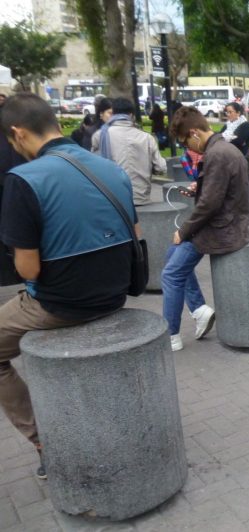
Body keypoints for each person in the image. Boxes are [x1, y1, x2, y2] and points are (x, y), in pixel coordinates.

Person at [0, 93, 138, 479]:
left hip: (62, 304)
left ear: (17, 133)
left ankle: (44, 440)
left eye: (11, 142)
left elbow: (29, 269)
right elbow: (137, 234)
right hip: (115, 292)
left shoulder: (23, 179)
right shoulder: (109, 168)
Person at [164, 106, 249, 351]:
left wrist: (184, 230)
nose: (188, 148)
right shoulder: (223, 149)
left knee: (171, 273)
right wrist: (199, 187)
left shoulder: (216, 154)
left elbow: (210, 205)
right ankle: (200, 310)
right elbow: (217, 194)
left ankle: (171, 335)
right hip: (225, 222)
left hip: (222, 228)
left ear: (193, 133)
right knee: (172, 256)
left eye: (185, 142)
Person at [92, 97, 166, 206]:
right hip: (142, 198)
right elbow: (161, 168)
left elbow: (94, 168)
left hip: (113, 200)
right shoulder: (147, 138)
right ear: (132, 115)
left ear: (114, 114)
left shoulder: (100, 136)